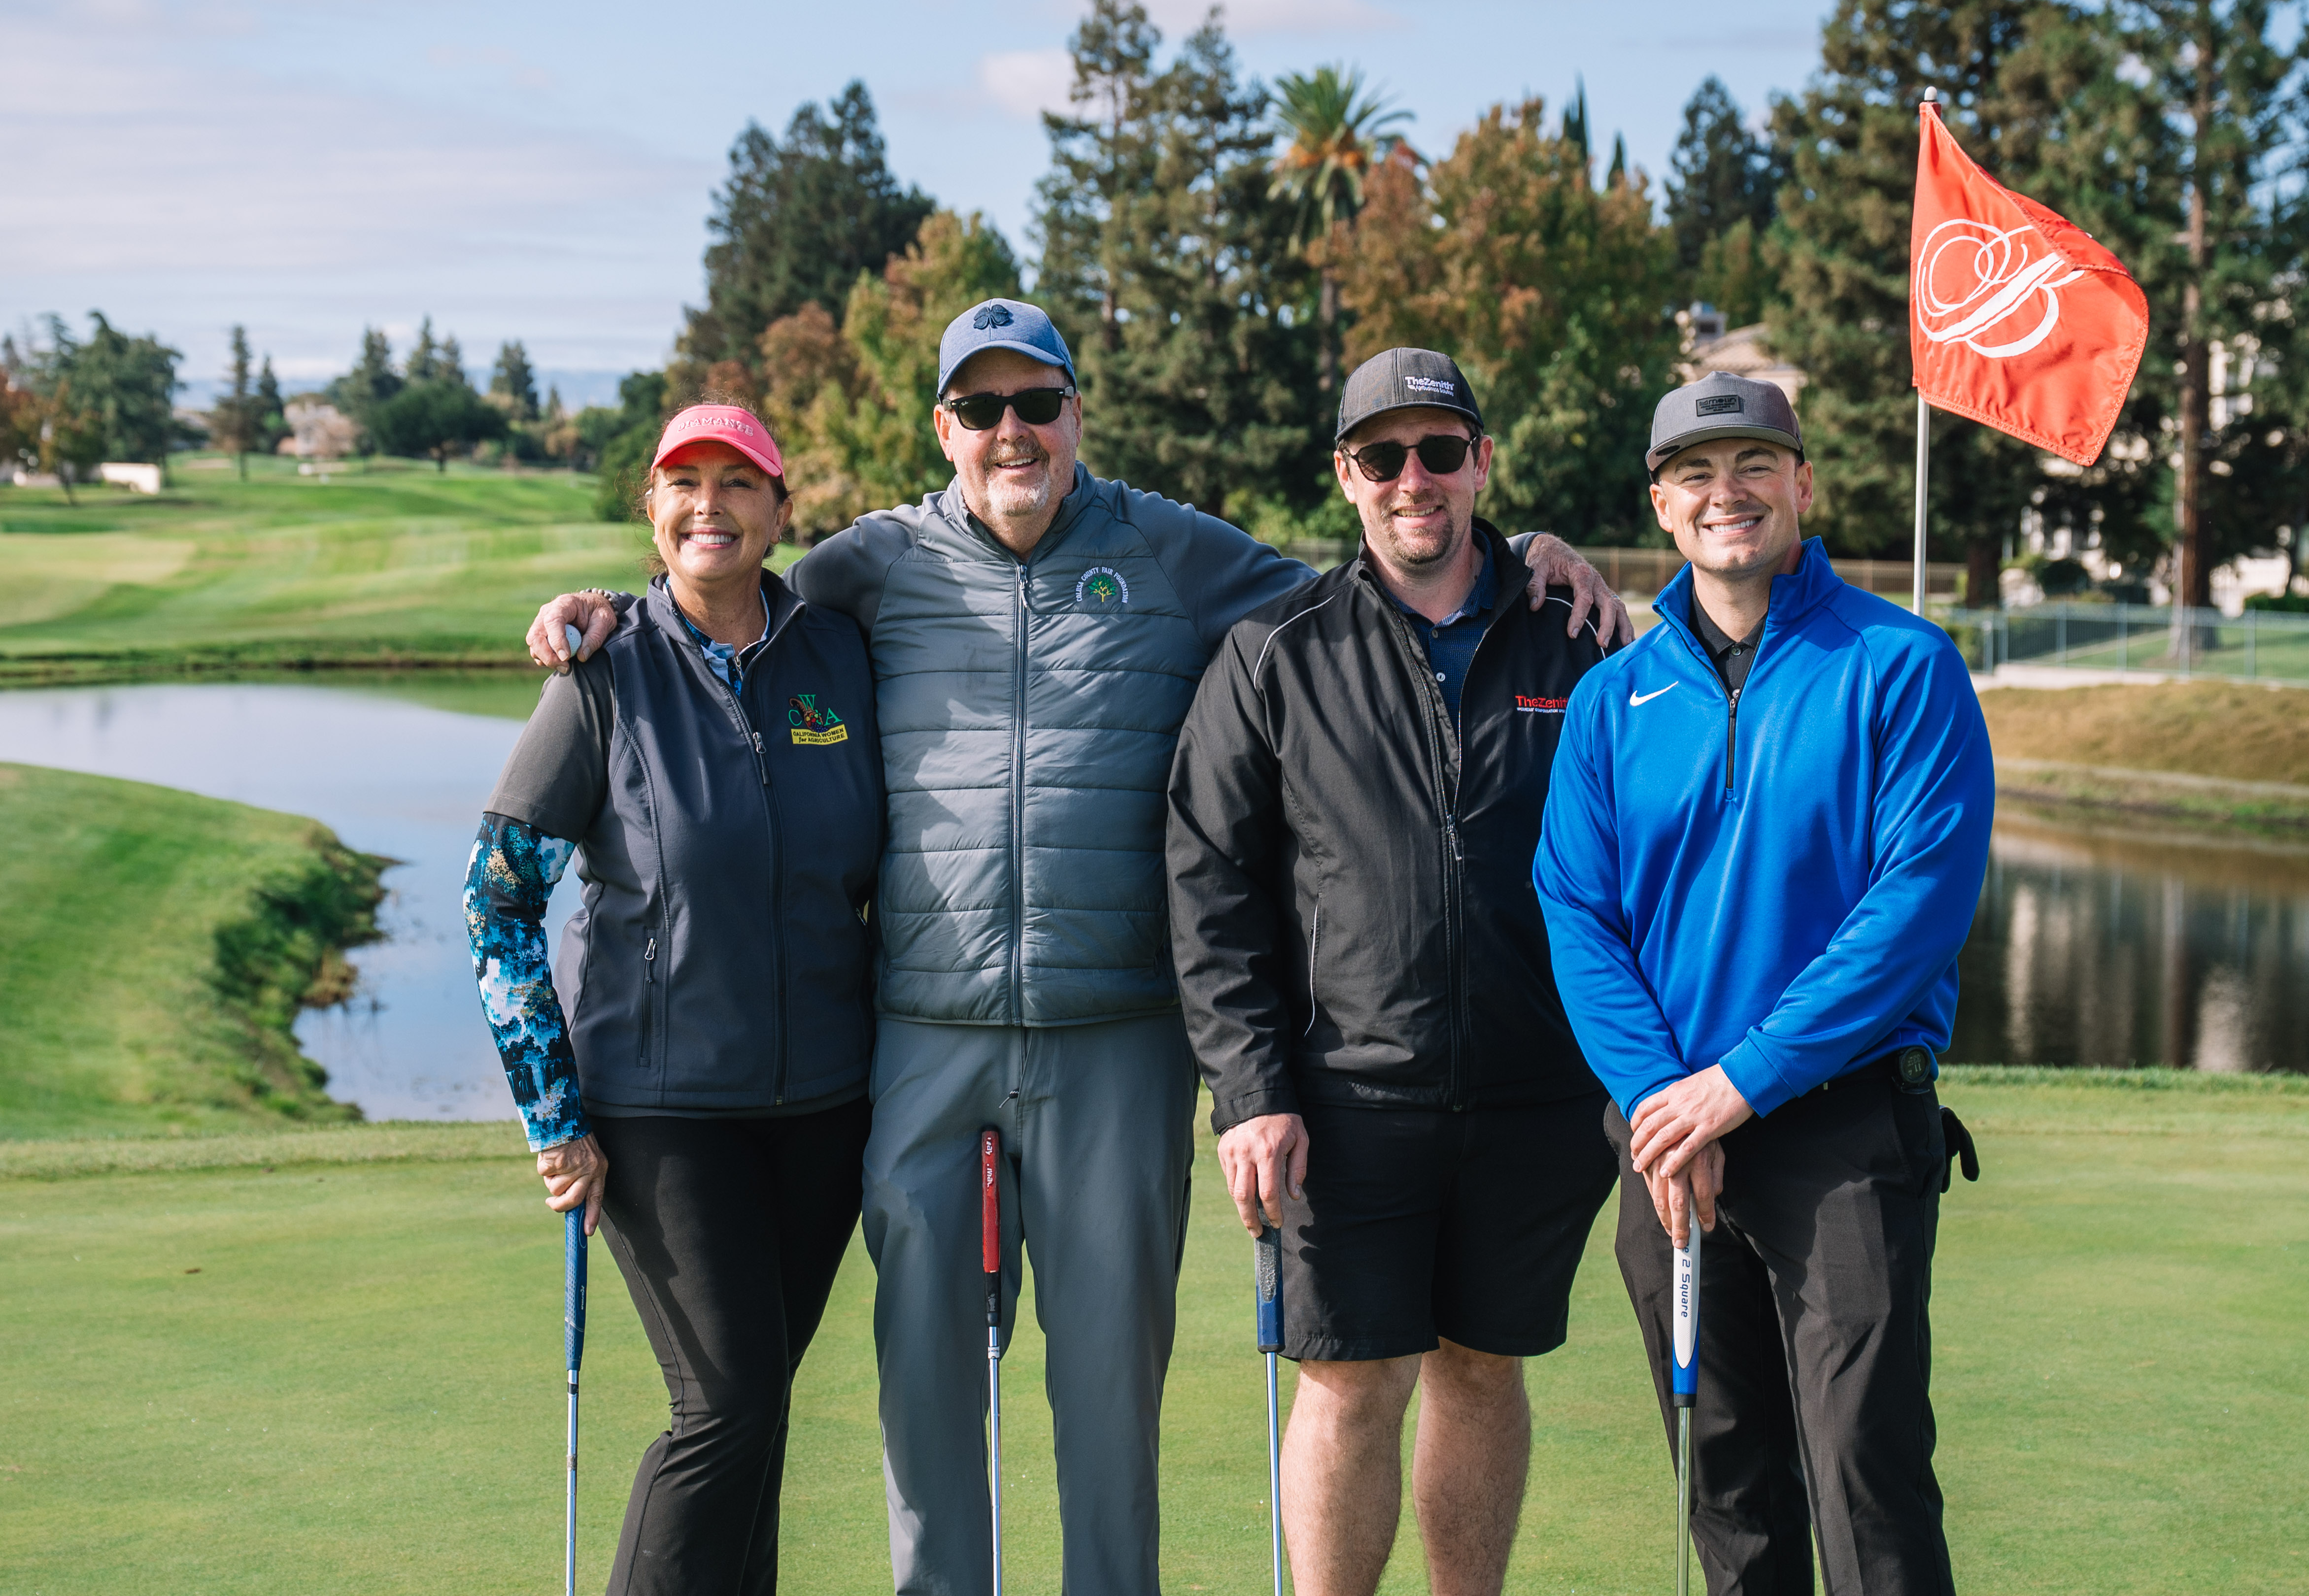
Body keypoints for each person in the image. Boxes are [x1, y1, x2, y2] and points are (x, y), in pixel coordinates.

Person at [525, 302, 1630, 1596]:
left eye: (1037, 404)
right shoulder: (870, 563)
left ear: (1074, 415)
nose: (1013, 432)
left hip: (1120, 1031)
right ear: (944, 428)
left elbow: (1368, 589)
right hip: (923, 1032)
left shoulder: (1173, 548)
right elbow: (728, 598)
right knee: (925, 1388)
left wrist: (1527, 552)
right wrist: (608, 612)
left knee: (1109, 1389)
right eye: (981, 408)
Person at [1530, 375, 1993, 1596]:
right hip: (1668, 1138)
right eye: (1694, 472)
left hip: (1842, 1129)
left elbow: (1915, 907)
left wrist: (1737, 1083)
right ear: (1661, 504)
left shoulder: (1902, 664)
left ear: (1801, 483)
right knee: (1726, 1489)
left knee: (1865, 1479)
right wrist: (1662, 1098)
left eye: (1751, 464)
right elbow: (1576, 912)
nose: (1723, 492)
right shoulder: (1611, 698)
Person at [1165, 350, 1618, 1596]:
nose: (1412, 478)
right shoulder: (1275, 650)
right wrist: (1250, 1089)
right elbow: (1209, 886)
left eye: (1439, 450)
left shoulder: (1580, 636)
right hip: (1346, 1098)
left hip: (1536, 1092)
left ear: (1482, 462)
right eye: (1382, 455)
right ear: (1346, 476)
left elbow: (1643, 853)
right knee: (1349, 1379)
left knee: (1482, 1367)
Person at [464, 401, 885, 1596]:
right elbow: (497, 901)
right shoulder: (602, 673)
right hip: (660, 1113)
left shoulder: (842, 653)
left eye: (738, 481)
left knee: (755, 1414)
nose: (711, 504)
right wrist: (553, 1113)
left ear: (780, 508)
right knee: (727, 1405)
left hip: (826, 1110)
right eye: (683, 482)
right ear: (651, 509)